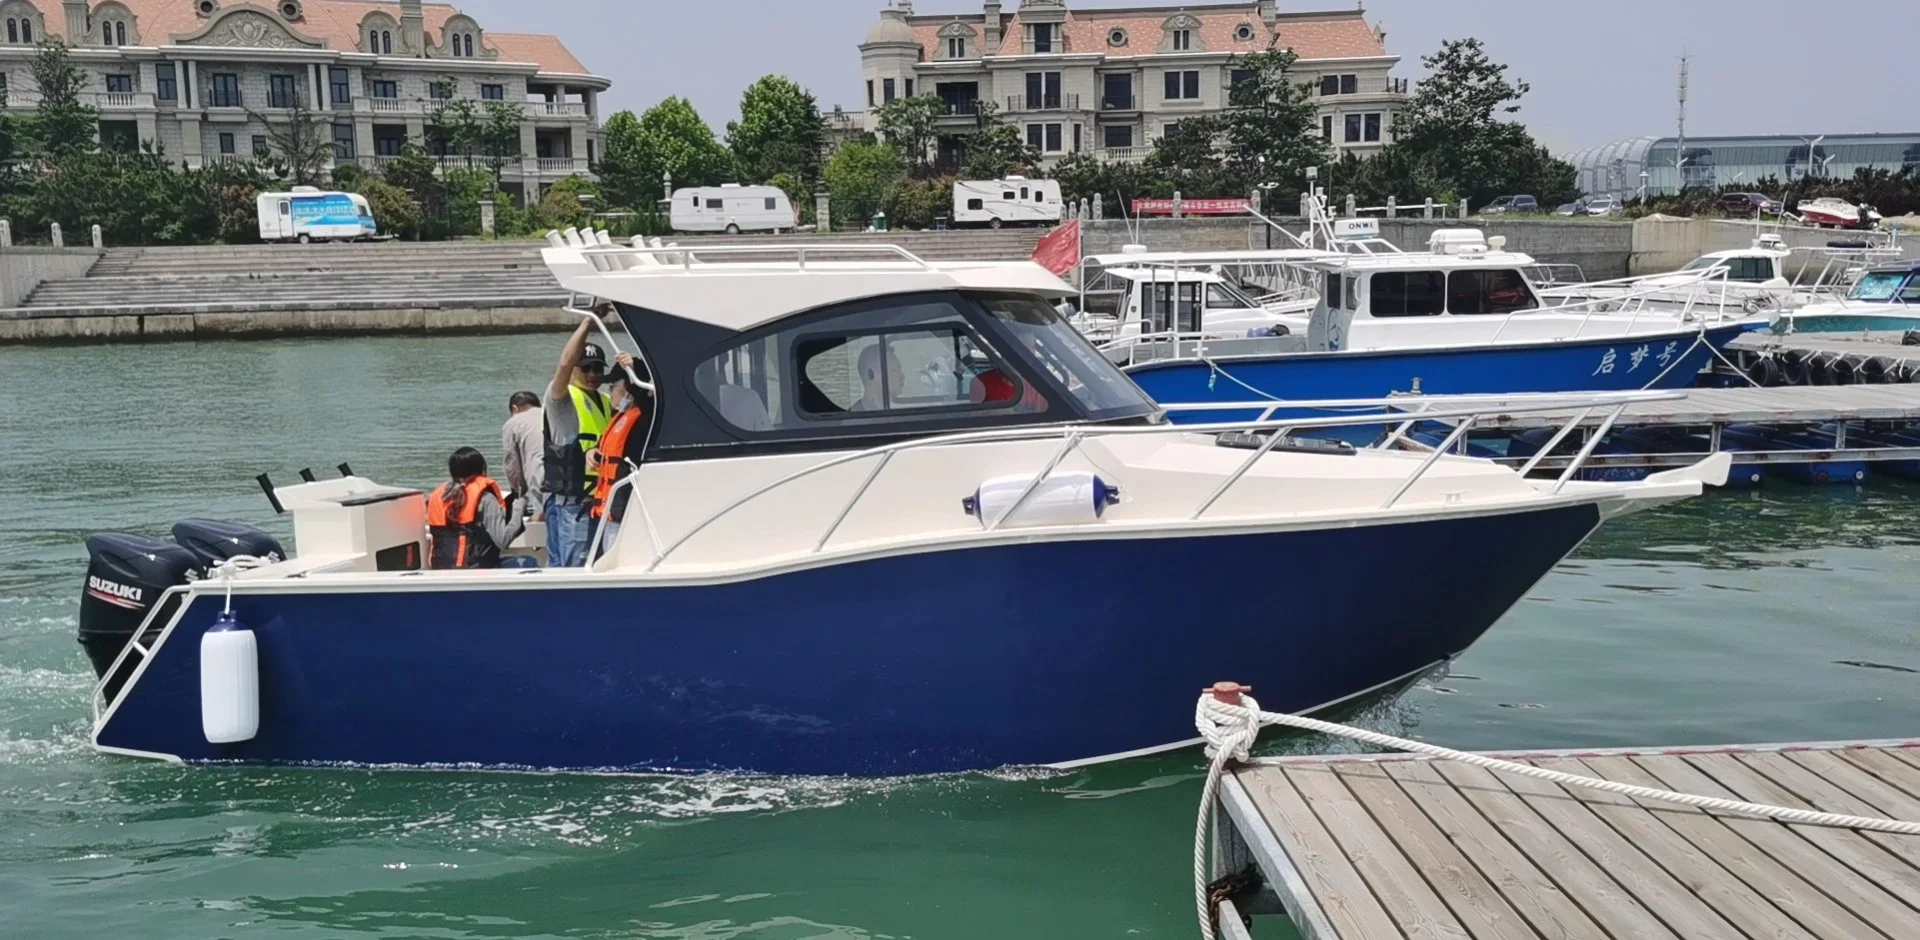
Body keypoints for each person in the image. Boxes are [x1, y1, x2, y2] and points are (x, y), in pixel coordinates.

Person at [543, 304, 616, 567]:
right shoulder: (561, 400)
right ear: (575, 370)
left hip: (601, 501)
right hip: (573, 505)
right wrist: (588, 322)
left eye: (598, 369)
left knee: (597, 566)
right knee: (574, 568)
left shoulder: (606, 401)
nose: (593, 374)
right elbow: (563, 364)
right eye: (586, 368)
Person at [588, 352, 649, 559]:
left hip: (626, 510)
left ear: (628, 391)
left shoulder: (646, 418)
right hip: (610, 511)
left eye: (613, 387)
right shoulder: (620, 418)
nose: (610, 393)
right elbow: (607, 448)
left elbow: (647, 399)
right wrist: (593, 452)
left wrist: (634, 369)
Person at [426, 447, 526, 570]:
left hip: (442, 571)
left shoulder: (438, 497)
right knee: (529, 562)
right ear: (481, 468)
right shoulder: (485, 499)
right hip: (478, 572)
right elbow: (503, 541)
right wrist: (518, 508)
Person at [501, 391, 545, 518]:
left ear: (514, 409)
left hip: (541, 479)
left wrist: (518, 492)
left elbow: (512, 465)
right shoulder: (549, 413)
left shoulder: (513, 423)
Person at [852, 343, 904, 412]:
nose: (903, 377)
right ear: (872, 375)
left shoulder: (878, 414)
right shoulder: (857, 418)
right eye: (895, 370)